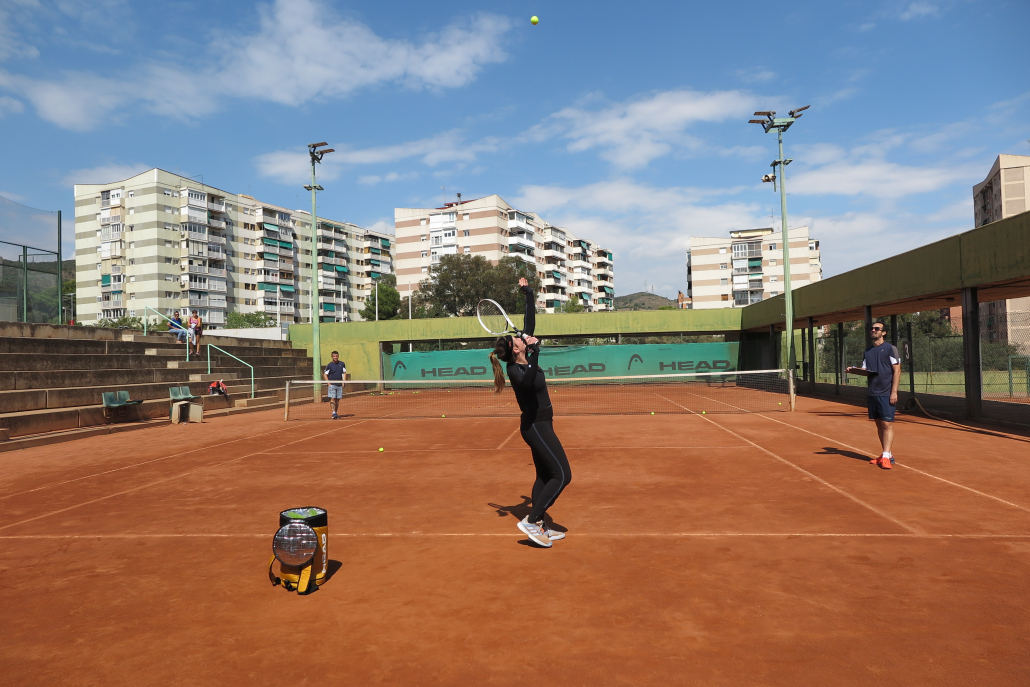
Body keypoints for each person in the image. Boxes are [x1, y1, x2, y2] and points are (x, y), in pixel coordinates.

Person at [488, 277, 571, 548]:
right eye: (518, 340)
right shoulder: (516, 370)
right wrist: (535, 352)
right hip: (534, 426)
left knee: (544, 476)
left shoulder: (524, 353)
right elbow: (528, 379)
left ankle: (540, 523)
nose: (521, 337)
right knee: (562, 475)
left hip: (543, 423)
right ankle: (531, 520)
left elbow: (530, 322)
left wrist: (528, 294)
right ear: (515, 351)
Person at [847, 321, 901, 470]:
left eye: (877, 329)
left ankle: (885, 456)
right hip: (872, 392)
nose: (873, 330)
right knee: (878, 423)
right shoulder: (868, 351)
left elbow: (897, 370)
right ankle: (887, 455)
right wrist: (853, 370)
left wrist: (894, 392)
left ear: (883, 332)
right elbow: (865, 369)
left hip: (887, 392)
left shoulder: (890, 349)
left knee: (886, 424)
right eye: (872, 328)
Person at [323, 350, 346, 420]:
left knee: (337, 400)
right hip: (332, 385)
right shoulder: (329, 365)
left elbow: (344, 373)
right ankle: (333, 413)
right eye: (334, 356)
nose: (335, 357)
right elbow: (325, 374)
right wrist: (328, 383)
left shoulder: (342, 364)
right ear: (332, 357)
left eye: (336, 356)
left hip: (339, 384)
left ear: (338, 356)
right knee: (333, 398)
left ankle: (335, 412)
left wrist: (343, 382)